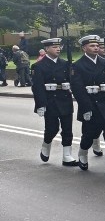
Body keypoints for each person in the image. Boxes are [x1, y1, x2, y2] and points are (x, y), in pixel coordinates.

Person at [70, 35, 105, 173]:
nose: (96, 48)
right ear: (84, 48)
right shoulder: (77, 65)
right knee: (89, 134)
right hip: (91, 104)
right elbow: (77, 89)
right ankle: (83, 153)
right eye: (92, 46)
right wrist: (86, 108)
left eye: (97, 45)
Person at [32, 38, 77, 166]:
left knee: (67, 129)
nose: (58, 49)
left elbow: (73, 80)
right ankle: (46, 144)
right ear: (46, 49)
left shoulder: (65, 64)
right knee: (52, 128)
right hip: (50, 100)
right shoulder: (39, 66)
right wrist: (40, 104)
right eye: (54, 47)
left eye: (59, 47)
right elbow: (37, 87)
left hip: (65, 98)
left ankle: (67, 155)